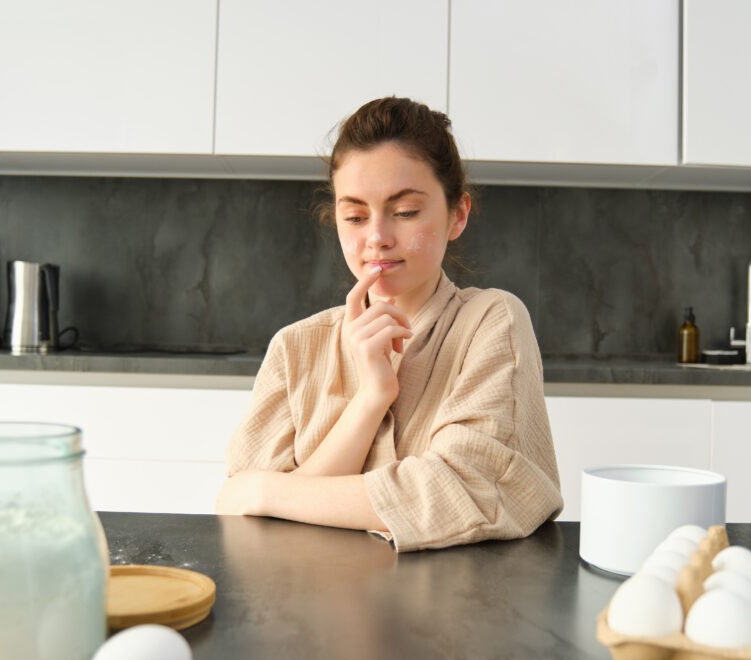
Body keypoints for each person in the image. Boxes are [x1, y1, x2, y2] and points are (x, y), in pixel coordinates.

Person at [216, 96, 562, 552]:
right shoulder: (295, 347)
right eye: (355, 216)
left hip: (453, 611)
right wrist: (371, 399)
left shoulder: (491, 320)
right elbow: (244, 525)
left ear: (457, 215)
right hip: (308, 613)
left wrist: (265, 491)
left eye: (404, 212)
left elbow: (467, 489)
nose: (376, 238)